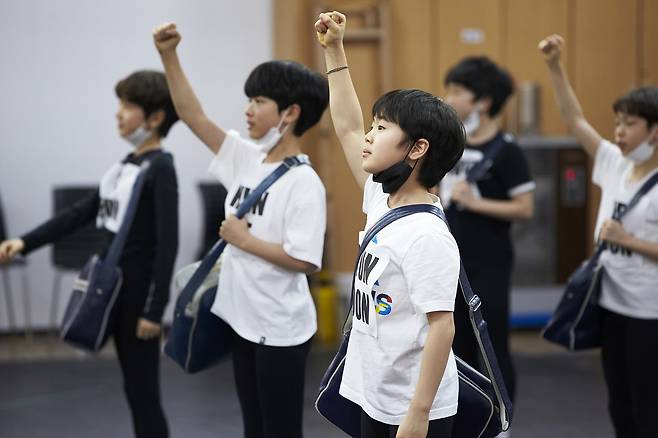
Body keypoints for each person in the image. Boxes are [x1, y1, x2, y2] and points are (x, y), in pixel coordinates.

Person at [152, 22, 329, 438]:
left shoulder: (304, 182)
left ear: (291, 113)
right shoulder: (247, 159)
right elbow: (193, 117)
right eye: (249, 98)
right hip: (241, 317)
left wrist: (245, 240)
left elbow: (305, 260)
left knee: (279, 429)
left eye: (259, 99)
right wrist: (169, 55)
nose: (248, 108)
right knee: (253, 426)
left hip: (279, 328)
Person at [0, 70, 179, 438]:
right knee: (134, 390)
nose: (118, 113)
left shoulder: (161, 168)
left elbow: (167, 244)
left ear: (155, 117)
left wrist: (153, 309)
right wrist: (25, 242)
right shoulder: (123, 167)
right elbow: (78, 214)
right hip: (111, 289)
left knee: (144, 393)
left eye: (128, 106)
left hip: (136, 299)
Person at [315, 11, 466, 438]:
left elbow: (443, 326)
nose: (367, 135)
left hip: (412, 409)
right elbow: (345, 125)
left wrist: (418, 414)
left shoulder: (426, 234)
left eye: (380, 128)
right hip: (376, 394)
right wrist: (334, 51)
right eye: (374, 125)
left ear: (417, 149)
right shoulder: (381, 196)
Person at [540, 34, 658, 438]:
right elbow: (575, 120)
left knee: (648, 403)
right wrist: (555, 66)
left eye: (631, 124)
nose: (620, 132)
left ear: (655, 131)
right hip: (611, 303)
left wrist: (629, 241)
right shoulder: (615, 163)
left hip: (649, 313)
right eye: (618, 123)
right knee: (619, 400)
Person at [442, 56, 535, 405]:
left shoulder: (507, 151)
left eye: (457, 91)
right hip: (450, 261)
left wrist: (476, 203)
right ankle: (463, 416)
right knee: (454, 344)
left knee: (492, 345)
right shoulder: (449, 144)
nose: (448, 97)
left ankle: (502, 420)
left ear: (482, 101)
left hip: (490, 263)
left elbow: (525, 209)